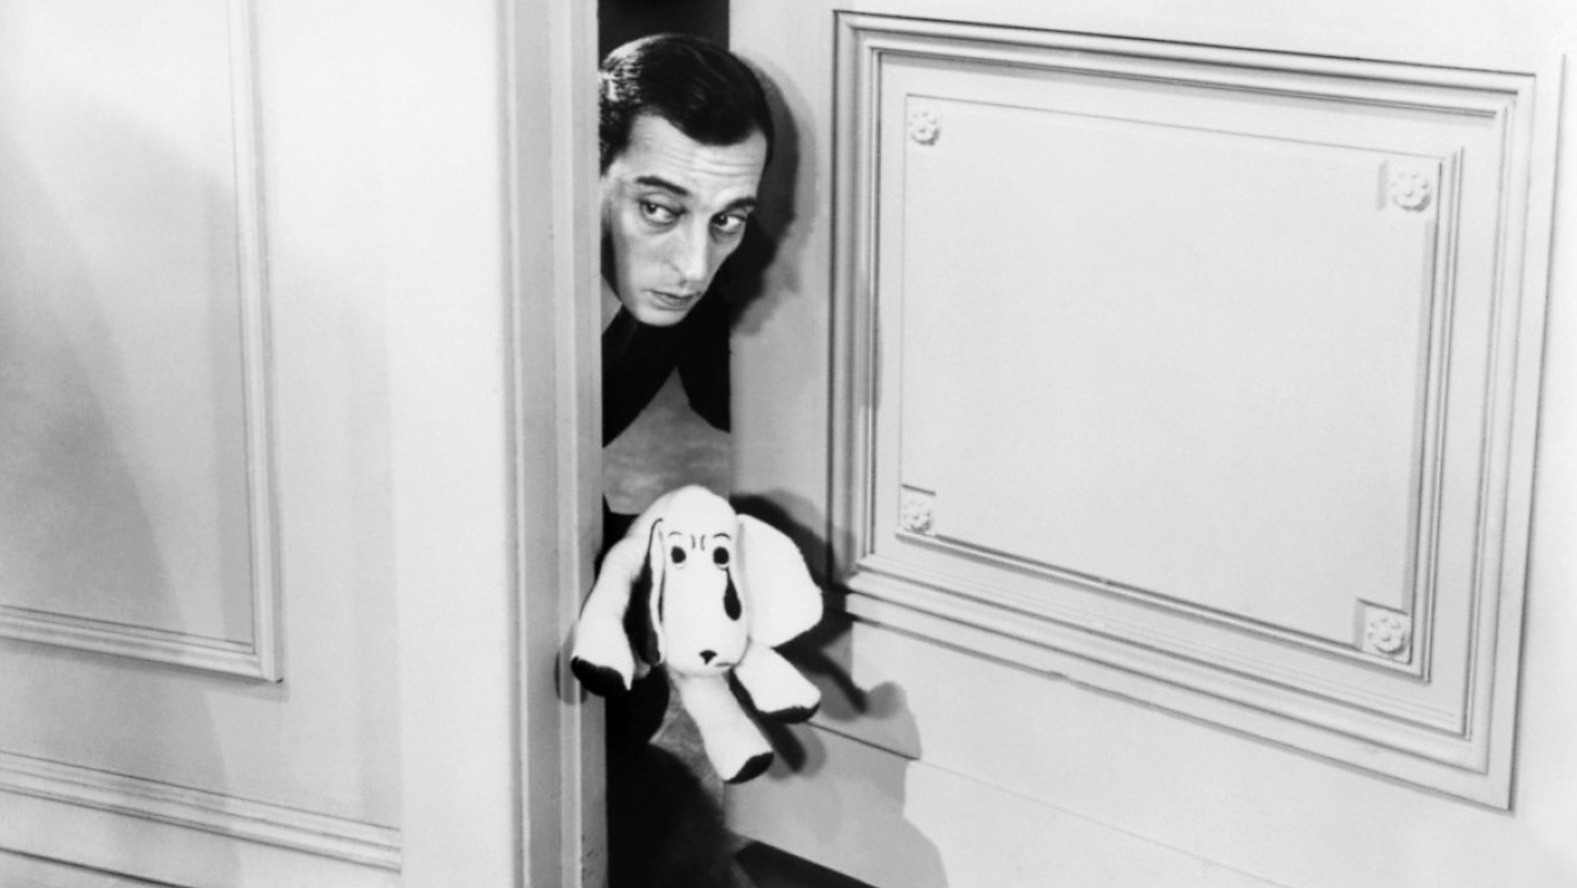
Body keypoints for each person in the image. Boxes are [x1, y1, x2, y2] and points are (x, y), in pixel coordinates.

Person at [595, 33, 776, 888]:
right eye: (659, 210)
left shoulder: (686, 286)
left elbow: (717, 398)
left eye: (727, 220)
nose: (693, 266)